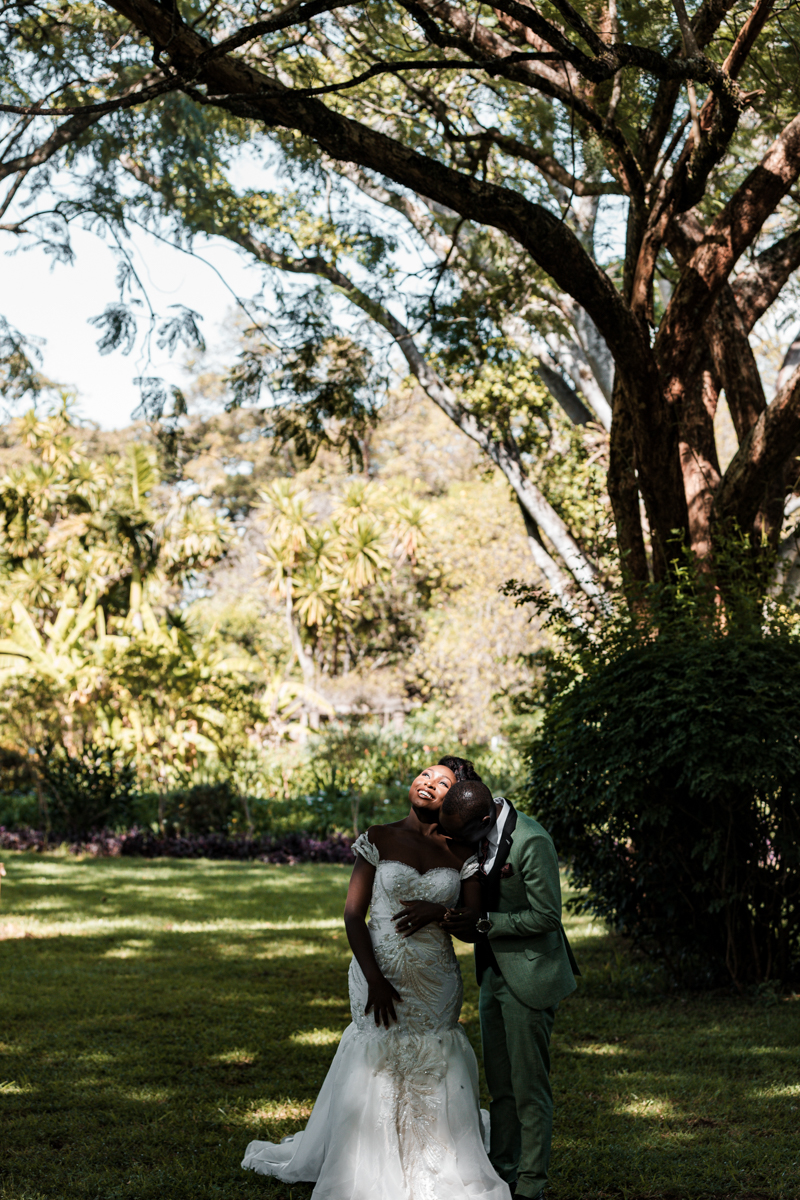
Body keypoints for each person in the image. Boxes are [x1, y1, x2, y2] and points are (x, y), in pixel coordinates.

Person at [242, 762, 511, 1200]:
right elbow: (353, 915)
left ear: (454, 800)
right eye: (425, 775)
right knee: (377, 1052)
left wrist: (438, 913)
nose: (430, 783)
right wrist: (375, 980)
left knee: (430, 1053)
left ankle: (431, 1159)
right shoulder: (379, 837)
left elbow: (470, 925)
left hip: (435, 981)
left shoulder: (461, 853)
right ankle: (366, 1160)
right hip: (377, 972)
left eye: (444, 783)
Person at [438, 779, 580, 1200]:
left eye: (461, 837)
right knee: (500, 1087)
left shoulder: (532, 841)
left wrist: (486, 925)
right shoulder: (476, 824)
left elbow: (547, 917)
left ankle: (531, 1185)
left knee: (528, 1089)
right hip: (492, 973)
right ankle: (503, 1171)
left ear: (484, 821)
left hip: (530, 977)